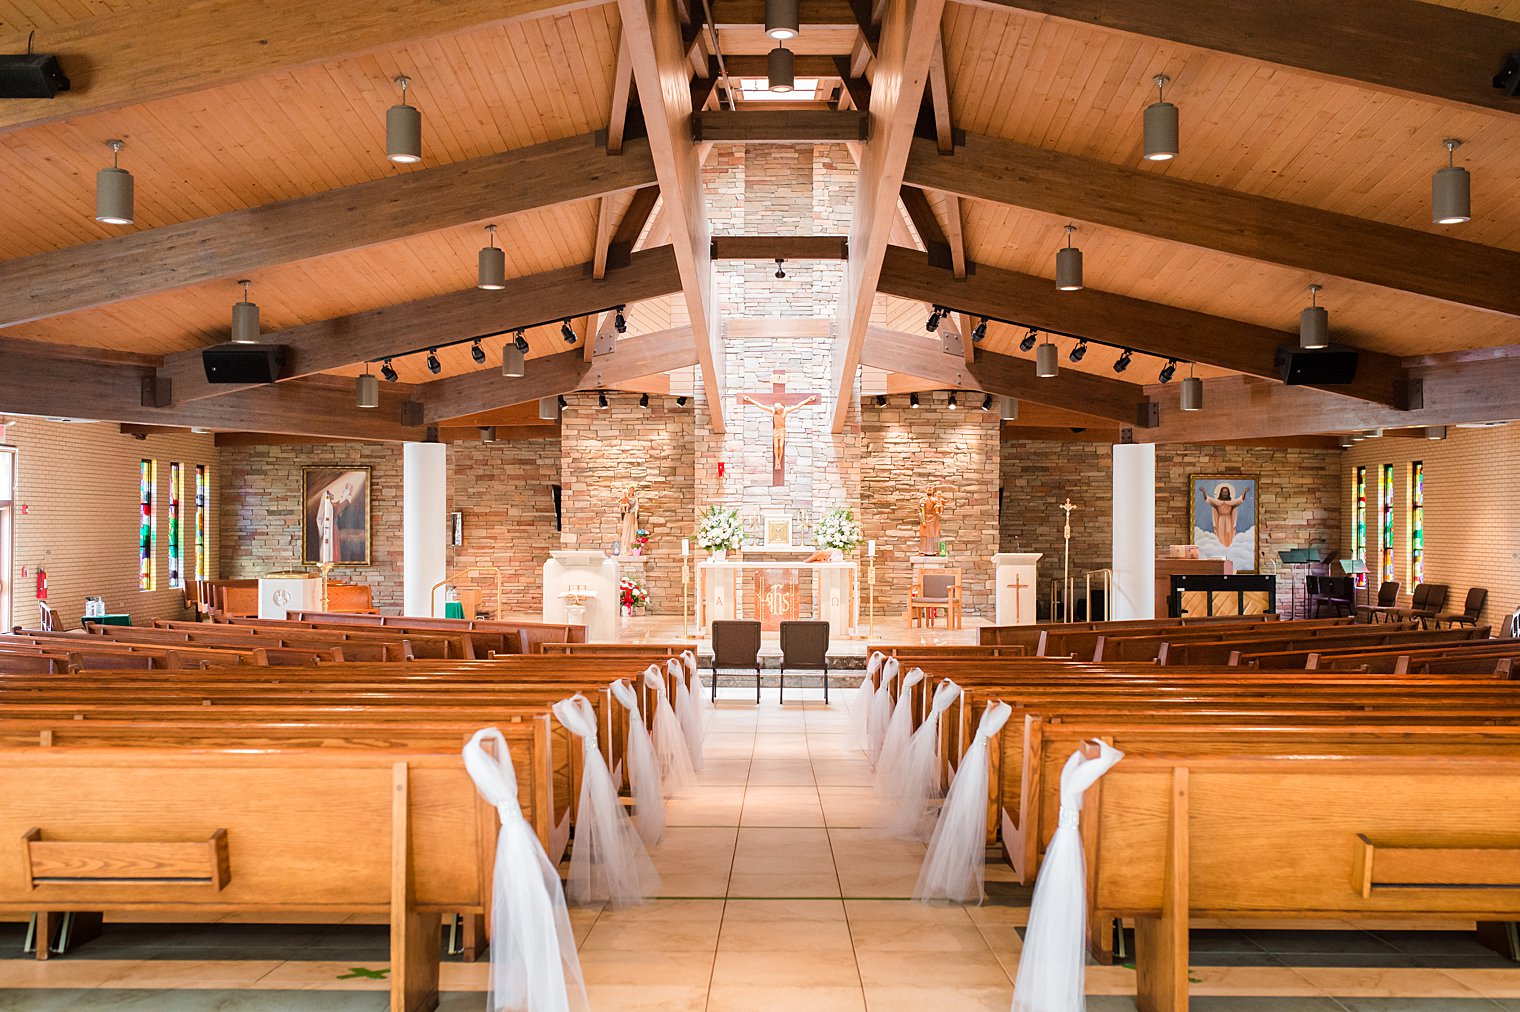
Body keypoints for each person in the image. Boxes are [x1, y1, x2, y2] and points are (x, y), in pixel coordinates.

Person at [739, 394, 816, 474]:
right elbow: (760, 406)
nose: (777, 411)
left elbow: (797, 406)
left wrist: (808, 399)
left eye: (778, 409)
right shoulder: (773, 411)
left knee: (781, 446)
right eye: (776, 409)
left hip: (782, 430)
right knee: (776, 446)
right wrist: (750, 400)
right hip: (776, 430)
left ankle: (779, 460)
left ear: (780, 408)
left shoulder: (785, 411)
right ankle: (777, 460)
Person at [1204, 483, 1250, 548]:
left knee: (1229, 534)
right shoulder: (1217, 502)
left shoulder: (1232, 502)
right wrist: (1204, 493)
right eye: (1223, 492)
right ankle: (1221, 548)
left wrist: (1244, 492)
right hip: (1220, 521)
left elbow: (1240, 500)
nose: (1224, 494)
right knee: (1221, 535)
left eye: (1226, 492)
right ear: (1221, 493)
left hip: (1229, 520)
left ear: (1228, 493)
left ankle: (1228, 548)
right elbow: (1209, 500)